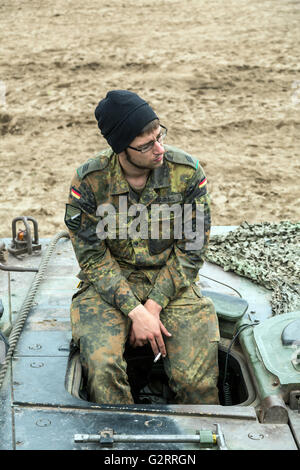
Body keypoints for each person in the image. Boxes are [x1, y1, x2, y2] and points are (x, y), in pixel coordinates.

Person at [65, 90, 220, 404]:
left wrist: (152, 307)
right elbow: (92, 256)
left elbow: (193, 248)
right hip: (108, 286)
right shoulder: (90, 182)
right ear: (122, 148)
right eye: (147, 144)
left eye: (160, 135)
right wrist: (134, 311)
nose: (159, 148)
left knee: (196, 381)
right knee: (103, 367)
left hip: (173, 283)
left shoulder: (186, 173)